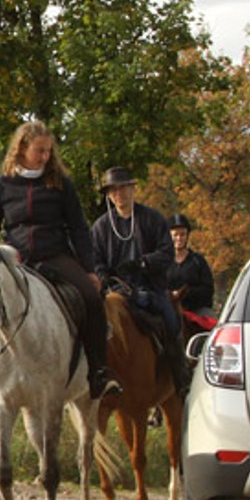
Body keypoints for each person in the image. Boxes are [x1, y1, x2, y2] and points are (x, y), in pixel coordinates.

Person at [0, 121, 121, 406]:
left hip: (55, 256)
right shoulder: (2, 185)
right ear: (22, 148)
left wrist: (89, 269)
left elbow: (79, 229)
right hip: (15, 261)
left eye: (48, 151)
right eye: (39, 151)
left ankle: (98, 373)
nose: (45, 157)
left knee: (92, 299)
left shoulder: (61, 184)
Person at [90, 165, 190, 395]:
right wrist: (102, 275)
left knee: (171, 319)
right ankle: (95, 379)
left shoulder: (152, 219)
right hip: (115, 290)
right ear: (108, 195)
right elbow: (94, 259)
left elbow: (166, 253)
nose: (119, 195)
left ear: (132, 190)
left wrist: (143, 263)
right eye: (113, 191)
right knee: (91, 322)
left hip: (150, 287)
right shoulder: (100, 227)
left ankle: (180, 379)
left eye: (123, 189)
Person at [165, 213, 216, 337]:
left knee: (214, 329)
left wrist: (185, 293)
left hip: (196, 310)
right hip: (168, 309)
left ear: (187, 236)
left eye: (182, 234)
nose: (179, 238)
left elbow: (208, 289)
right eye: (175, 235)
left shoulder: (198, 261)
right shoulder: (162, 262)